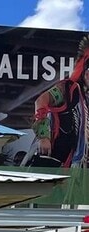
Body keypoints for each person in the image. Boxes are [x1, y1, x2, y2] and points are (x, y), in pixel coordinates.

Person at [32, 36, 89, 168]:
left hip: (78, 168)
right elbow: (41, 101)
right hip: (58, 162)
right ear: (84, 70)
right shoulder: (68, 89)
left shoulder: (85, 99)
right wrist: (43, 136)